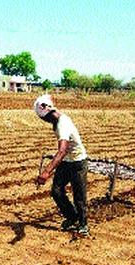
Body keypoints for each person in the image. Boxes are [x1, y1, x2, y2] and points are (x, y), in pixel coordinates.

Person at [34, 94, 89, 236]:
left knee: (79, 196)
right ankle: (72, 217)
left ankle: (83, 224)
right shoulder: (57, 120)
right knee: (56, 191)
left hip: (77, 162)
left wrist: (46, 171)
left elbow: (63, 150)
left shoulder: (62, 123)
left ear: (45, 116)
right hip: (66, 162)